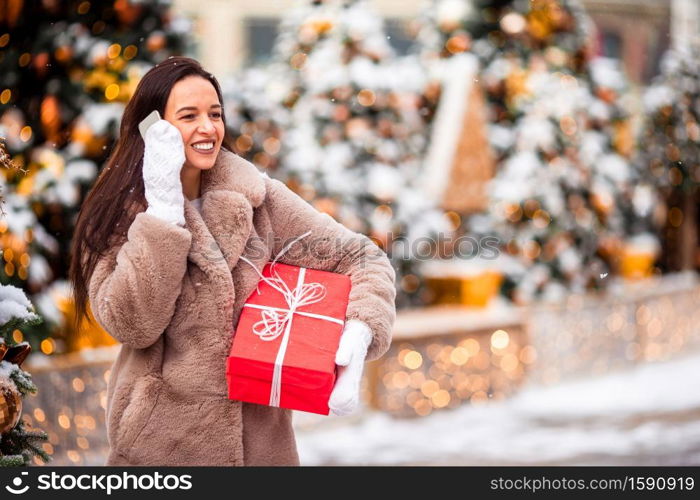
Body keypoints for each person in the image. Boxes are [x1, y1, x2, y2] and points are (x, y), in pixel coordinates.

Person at [68, 56, 396, 466]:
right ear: (154, 129)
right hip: (160, 452)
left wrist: (361, 327)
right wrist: (163, 211)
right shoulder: (118, 213)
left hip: (261, 449)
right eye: (189, 116)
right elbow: (134, 323)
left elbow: (362, 257)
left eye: (215, 114)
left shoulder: (258, 198)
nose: (208, 128)